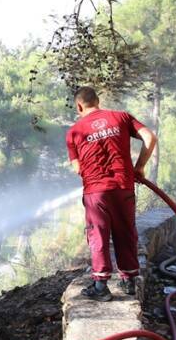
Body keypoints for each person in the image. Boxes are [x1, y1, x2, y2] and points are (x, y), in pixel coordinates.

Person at [66, 86, 157, 302]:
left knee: (98, 234)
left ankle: (100, 285)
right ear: (97, 101)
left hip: (96, 192)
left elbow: (77, 168)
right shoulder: (121, 117)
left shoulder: (74, 132)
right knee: (125, 231)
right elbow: (150, 137)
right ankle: (129, 281)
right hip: (123, 186)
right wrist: (139, 166)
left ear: (79, 106)